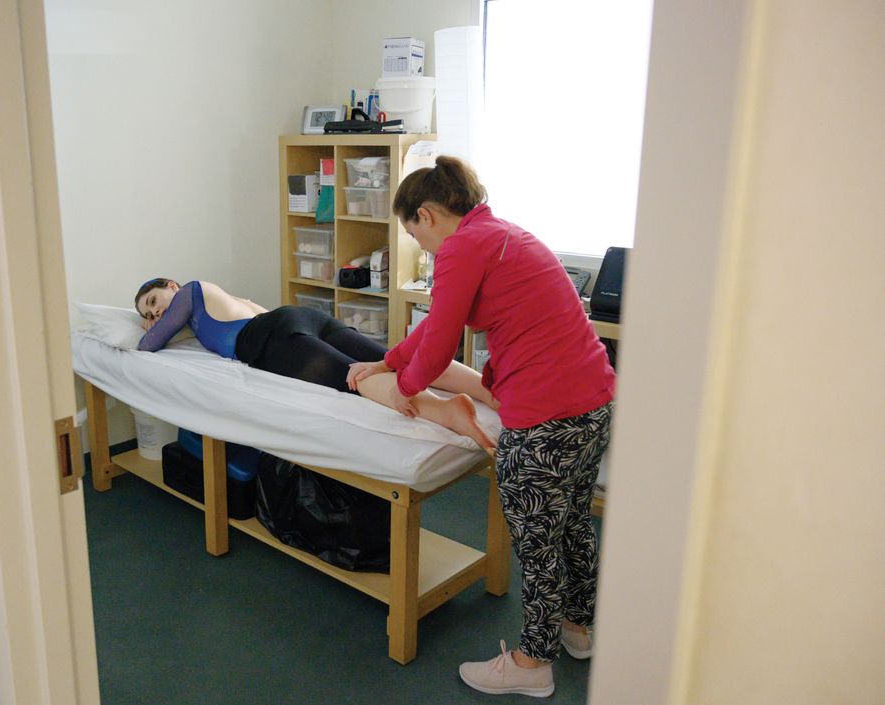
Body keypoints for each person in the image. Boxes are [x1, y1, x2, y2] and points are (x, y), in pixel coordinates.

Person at [346, 156, 615, 698]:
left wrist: (404, 390)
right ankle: (578, 629)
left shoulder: (463, 247)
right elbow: (434, 328)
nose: (422, 249)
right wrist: (388, 360)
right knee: (572, 526)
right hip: (593, 402)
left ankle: (531, 663)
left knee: (538, 543)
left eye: (415, 235)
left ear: (425, 215)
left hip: (546, 417)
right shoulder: (499, 234)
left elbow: (440, 340)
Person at [133, 278, 497, 450]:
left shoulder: (190, 293)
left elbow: (149, 344)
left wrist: (150, 327)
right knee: (387, 360)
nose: (154, 312)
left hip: (270, 339)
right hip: (300, 317)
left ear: (170, 284)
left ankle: (446, 413)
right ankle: (489, 389)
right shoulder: (212, 302)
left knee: (352, 378)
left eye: (153, 300)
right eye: (147, 312)